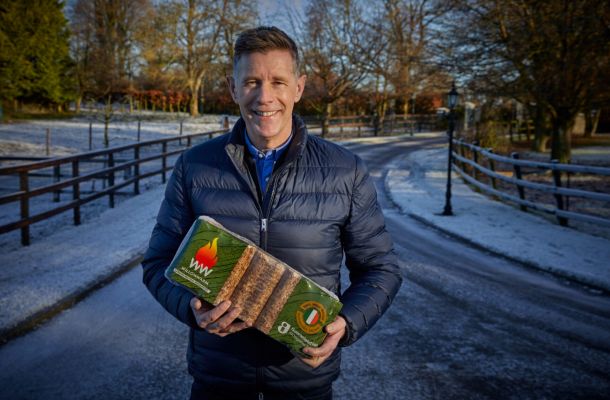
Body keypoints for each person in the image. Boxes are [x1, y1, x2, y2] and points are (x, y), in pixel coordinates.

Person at [142, 26, 402, 400]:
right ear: (233, 88)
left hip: (304, 383)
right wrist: (190, 307)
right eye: (251, 82)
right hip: (219, 382)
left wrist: (345, 324)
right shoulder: (194, 167)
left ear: (299, 87)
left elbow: (381, 268)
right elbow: (158, 263)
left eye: (278, 82)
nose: (265, 97)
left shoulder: (346, 171)